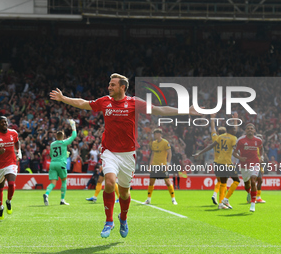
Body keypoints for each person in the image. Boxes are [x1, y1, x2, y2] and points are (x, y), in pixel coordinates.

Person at [50, 73, 200, 238]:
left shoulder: (134, 103)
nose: (109, 87)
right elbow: (84, 103)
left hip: (128, 154)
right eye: (109, 84)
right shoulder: (105, 101)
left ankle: (123, 218)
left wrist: (186, 110)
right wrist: (64, 98)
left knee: (124, 193)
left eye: (113, 85)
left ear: (122, 87)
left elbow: (158, 109)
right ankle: (109, 221)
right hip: (109, 151)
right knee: (109, 182)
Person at [194, 125, 239, 210]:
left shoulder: (220, 137)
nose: (235, 130)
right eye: (233, 129)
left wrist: (199, 153)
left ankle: (221, 203)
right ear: (229, 130)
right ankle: (225, 199)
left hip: (218, 162)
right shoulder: (233, 138)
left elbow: (211, 145)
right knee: (236, 181)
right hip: (227, 163)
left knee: (223, 183)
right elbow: (235, 149)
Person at [0, 116, 22, 220]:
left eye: (5, 122)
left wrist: (18, 151)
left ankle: (9, 201)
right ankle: (1, 206)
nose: (4, 124)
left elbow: (17, 141)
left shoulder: (13, 133)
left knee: (11, 184)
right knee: (0, 187)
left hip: (11, 162)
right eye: (2, 122)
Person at [43, 120, 77, 206]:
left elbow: (51, 154)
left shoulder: (52, 144)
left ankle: (46, 194)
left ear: (56, 136)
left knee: (53, 183)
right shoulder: (64, 142)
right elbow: (74, 135)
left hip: (53, 163)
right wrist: (73, 125)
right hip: (61, 163)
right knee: (64, 181)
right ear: (63, 137)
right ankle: (62, 200)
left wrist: (63, 154)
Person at [233, 123, 263, 212]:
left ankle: (253, 203)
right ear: (246, 130)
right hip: (244, 165)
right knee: (247, 185)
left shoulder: (258, 140)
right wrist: (240, 158)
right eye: (248, 128)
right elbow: (234, 152)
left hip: (255, 163)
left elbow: (261, 149)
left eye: (251, 128)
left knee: (253, 180)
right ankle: (250, 193)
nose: (250, 130)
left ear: (254, 130)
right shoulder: (241, 140)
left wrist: (261, 157)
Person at [144, 128, 177, 205]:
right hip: (154, 165)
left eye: (156, 134)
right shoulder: (153, 143)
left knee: (168, 182)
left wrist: (168, 164)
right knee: (151, 182)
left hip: (162, 165)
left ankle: (173, 199)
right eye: (154, 134)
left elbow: (170, 153)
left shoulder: (165, 142)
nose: (155, 135)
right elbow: (152, 154)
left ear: (160, 134)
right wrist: (150, 165)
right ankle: (148, 199)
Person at [209, 113, 227, 205]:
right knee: (224, 182)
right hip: (224, 163)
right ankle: (222, 200)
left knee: (219, 181)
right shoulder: (228, 140)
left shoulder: (215, 138)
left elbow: (212, 129)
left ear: (218, 133)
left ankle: (215, 194)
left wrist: (212, 118)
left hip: (216, 163)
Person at [246, 133, 266, 203]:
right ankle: (251, 196)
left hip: (259, 166)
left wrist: (262, 160)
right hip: (253, 166)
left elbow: (261, 157)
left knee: (260, 181)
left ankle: (258, 197)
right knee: (253, 181)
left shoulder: (261, 148)